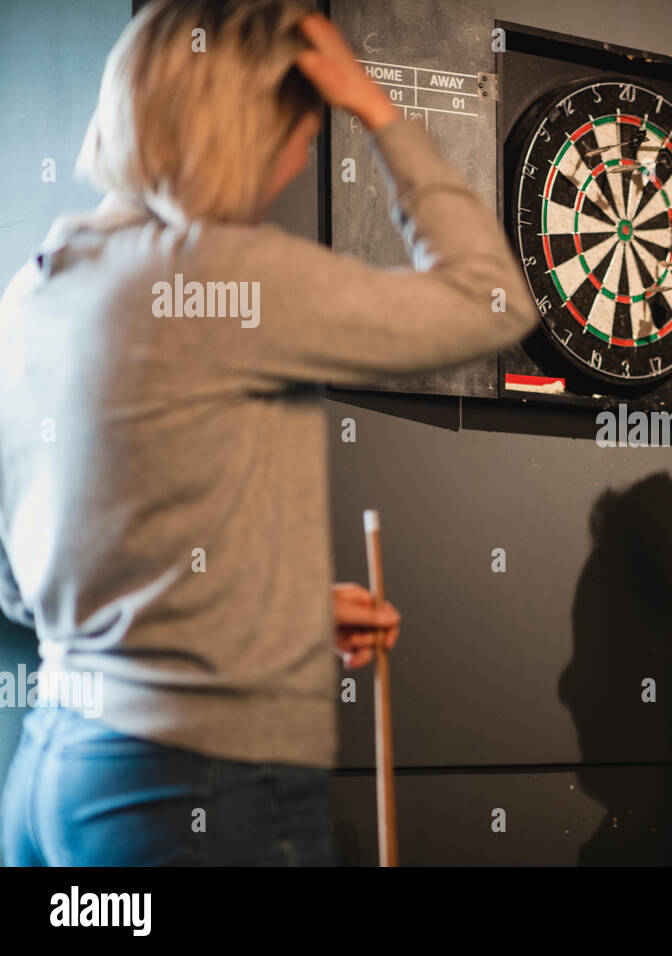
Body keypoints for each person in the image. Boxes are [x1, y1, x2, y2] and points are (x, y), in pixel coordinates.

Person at [0, 0, 535, 865]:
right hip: (196, 785)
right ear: (251, 130)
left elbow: (23, 588)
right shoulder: (221, 273)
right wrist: (376, 107)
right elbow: (494, 298)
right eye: (305, 129)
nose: (299, 158)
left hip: (56, 771)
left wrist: (261, 615)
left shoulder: (35, 292)